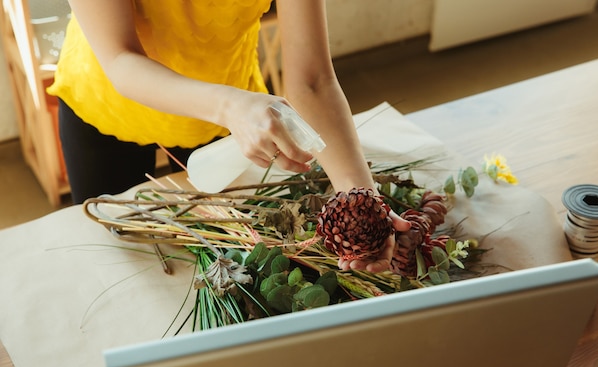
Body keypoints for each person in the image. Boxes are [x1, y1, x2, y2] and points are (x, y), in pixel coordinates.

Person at [48, 0, 410, 272]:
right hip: (106, 109)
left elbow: (313, 80)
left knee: (218, 270)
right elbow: (119, 58)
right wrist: (230, 107)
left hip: (228, 123)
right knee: (115, 263)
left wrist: (361, 200)